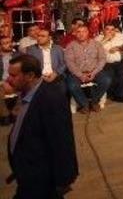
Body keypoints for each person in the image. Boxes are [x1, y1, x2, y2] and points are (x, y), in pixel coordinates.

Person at [6, 54, 79, 198]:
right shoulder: (26, 94)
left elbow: (62, 141)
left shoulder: (51, 99)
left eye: (14, 75)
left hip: (42, 179)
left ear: (30, 75)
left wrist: (63, 180)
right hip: (28, 175)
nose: (9, 79)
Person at [64, 25, 111, 114]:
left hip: (95, 71)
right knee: (72, 85)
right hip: (77, 73)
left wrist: (94, 72)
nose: (81, 34)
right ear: (75, 34)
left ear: (88, 33)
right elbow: (69, 63)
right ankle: (84, 104)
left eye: (84, 31)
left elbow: (102, 59)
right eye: (79, 32)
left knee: (106, 80)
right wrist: (80, 75)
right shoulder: (71, 46)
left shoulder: (96, 44)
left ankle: (94, 102)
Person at [25, 28, 68, 93]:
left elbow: (64, 64)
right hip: (39, 77)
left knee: (62, 89)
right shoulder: (31, 49)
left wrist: (56, 73)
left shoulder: (58, 48)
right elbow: (30, 66)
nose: (39, 38)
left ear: (49, 38)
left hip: (56, 76)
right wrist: (41, 76)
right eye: (38, 36)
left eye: (43, 36)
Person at [97, 23, 123, 102]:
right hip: (105, 63)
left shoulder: (120, 37)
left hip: (119, 62)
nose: (110, 31)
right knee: (110, 74)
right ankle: (111, 94)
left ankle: (119, 95)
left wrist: (119, 48)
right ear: (103, 30)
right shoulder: (98, 38)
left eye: (112, 29)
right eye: (108, 29)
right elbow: (94, 50)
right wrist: (105, 39)